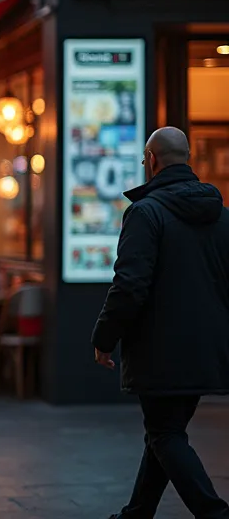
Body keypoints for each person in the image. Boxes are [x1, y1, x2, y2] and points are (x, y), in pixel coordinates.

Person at [92, 127, 229, 519]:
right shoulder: (221, 217)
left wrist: (104, 336)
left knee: (165, 434)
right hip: (207, 347)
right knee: (165, 432)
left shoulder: (145, 212)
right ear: (188, 158)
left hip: (161, 348)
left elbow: (130, 285)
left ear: (151, 160)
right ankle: (136, 514)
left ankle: (214, 513)